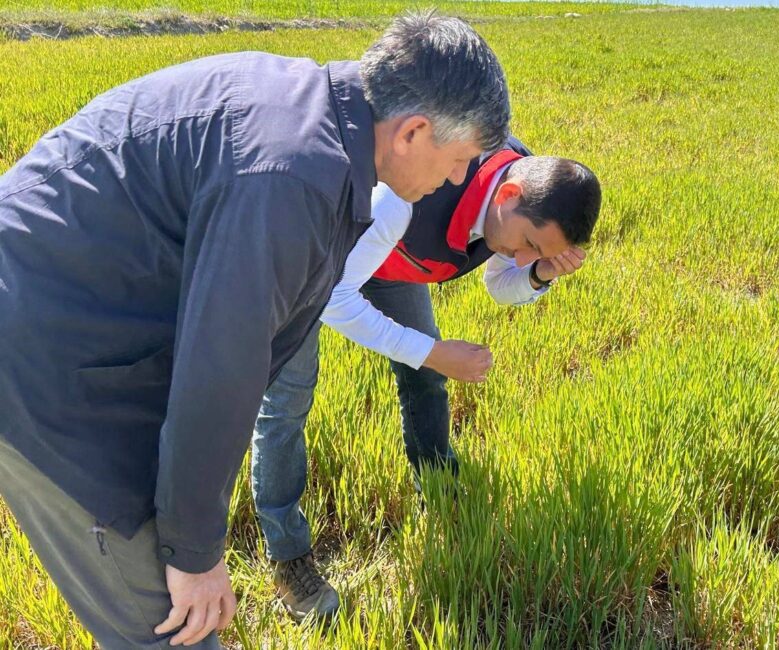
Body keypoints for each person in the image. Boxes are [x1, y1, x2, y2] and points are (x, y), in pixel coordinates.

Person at [0, 13, 510, 648]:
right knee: (174, 631)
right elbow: (220, 370)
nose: (457, 181)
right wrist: (193, 554)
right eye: (460, 160)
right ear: (413, 132)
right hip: (43, 365)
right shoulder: (292, 177)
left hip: (72, 324)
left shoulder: (308, 115)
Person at [250, 136, 602, 621]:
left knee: (425, 377)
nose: (522, 257)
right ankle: (288, 558)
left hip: (389, 255)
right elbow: (333, 298)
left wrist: (539, 273)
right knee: (288, 401)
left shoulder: (520, 196)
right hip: (307, 252)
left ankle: (438, 490)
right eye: (530, 245)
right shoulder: (408, 194)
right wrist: (433, 351)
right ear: (507, 196)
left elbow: (501, 283)